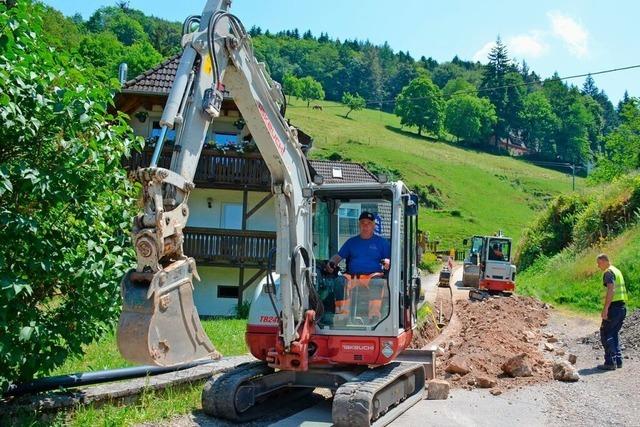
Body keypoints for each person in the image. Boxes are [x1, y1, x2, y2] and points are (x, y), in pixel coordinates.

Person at [325, 212, 391, 323]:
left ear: (374, 225)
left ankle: (374, 316)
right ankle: (342, 315)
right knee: (340, 281)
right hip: (353, 277)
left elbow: (390, 259)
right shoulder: (351, 242)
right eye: (363, 223)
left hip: (372, 277)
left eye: (369, 223)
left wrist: (388, 262)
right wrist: (332, 262)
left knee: (378, 282)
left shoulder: (381, 243)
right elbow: (338, 256)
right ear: (359, 225)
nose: (365, 226)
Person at [596, 253, 628, 370]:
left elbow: (611, 289)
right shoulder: (617, 271)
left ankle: (610, 361)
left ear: (605, 261)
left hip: (613, 308)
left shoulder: (608, 272)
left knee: (605, 332)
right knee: (614, 333)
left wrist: (605, 309)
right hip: (622, 307)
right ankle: (618, 360)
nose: (598, 266)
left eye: (599, 263)